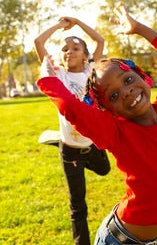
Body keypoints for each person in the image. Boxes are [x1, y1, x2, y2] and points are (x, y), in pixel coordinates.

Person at [36, 2, 157, 244]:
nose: (126, 92)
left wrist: (139, 28)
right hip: (121, 240)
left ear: (143, 76)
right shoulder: (115, 131)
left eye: (128, 79)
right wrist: (46, 76)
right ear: (107, 110)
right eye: (113, 96)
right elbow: (69, 106)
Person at [34, 17, 111, 245]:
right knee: (77, 204)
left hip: (93, 144)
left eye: (75, 48)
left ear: (85, 55)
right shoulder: (58, 74)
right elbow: (39, 42)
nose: (69, 52)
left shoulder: (92, 70)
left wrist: (77, 23)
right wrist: (59, 26)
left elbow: (100, 39)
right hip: (70, 151)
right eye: (65, 49)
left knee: (105, 170)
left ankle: (61, 143)